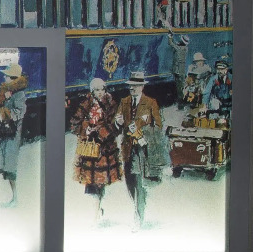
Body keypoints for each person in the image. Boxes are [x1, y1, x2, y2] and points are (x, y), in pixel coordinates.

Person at [114, 71, 162, 230]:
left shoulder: (150, 102)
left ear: (142, 87)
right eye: (130, 86)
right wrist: (118, 122)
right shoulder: (124, 102)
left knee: (138, 182)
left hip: (142, 149)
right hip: (127, 148)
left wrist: (143, 132)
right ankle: (137, 206)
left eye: (135, 86)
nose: (132, 89)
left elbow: (158, 126)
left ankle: (138, 215)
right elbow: (117, 124)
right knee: (129, 181)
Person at [69, 78, 122, 220]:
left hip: (105, 151)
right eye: (97, 90)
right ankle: (96, 210)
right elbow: (74, 124)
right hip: (89, 151)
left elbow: (115, 127)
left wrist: (100, 132)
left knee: (101, 181)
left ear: (105, 90)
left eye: (102, 89)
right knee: (91, 183)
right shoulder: (85, 104)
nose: (100, 92)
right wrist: (85, 130)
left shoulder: (111, 104)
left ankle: (98, 208)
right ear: (92, 91)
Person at [0, 64, 27, 206]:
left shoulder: (19, 94)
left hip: (13, 133)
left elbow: (19, 112)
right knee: (7, 164)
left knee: (10, 165)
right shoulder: (7, 91)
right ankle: (14, 197)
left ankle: (16, 198)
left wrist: (3, 114)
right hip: (6, 132)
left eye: (6, 75)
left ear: (13, 78)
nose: (4, 77)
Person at [167, 33, 189, 107]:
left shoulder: (179, 48)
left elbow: (171, 44)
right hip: (181, 70)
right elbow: (175, 44)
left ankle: (181, 103)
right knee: (181, 86)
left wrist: (170, 37)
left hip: (178, 70)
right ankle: (182, 101)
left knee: (179, 88)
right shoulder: (185, 48)